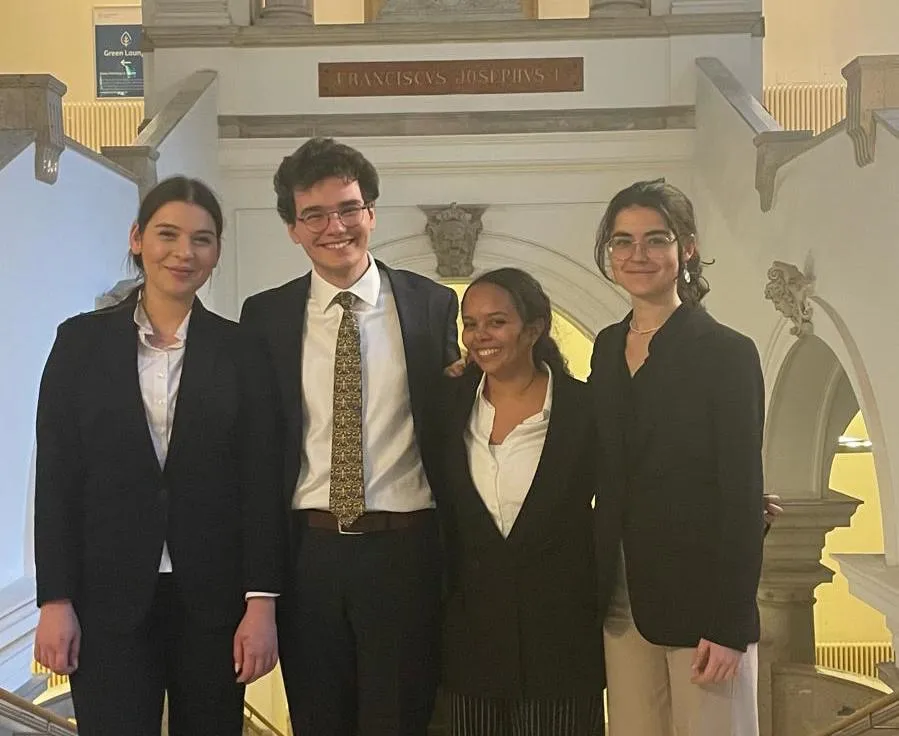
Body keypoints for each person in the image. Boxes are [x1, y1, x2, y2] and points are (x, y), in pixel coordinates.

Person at [33, 176, 286, 736]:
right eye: (167, 234)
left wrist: (261, 600)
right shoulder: (80, 343)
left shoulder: (243, 350)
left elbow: (261, 480)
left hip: (216, 599)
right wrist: (55, 597)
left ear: (217, 252)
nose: (183, 252)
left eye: (202, 239)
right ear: (137, 238)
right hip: (106, 597)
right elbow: (56, 479)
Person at [239, 137, 460, 736]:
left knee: (402, 722)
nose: (334, 226)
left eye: (348, 209)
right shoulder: (265, 318)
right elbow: (258, 461)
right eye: (314, 214)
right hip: (309, 558)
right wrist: (260, 591)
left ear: (371, 213)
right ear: (293, 228)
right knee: (318, 723)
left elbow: (452, 429)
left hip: (406, 554)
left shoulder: (431, 305)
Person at [589, 179, 764, 736]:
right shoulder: (604, 347)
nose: (637, 255)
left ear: (686, 247)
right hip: (622, 600)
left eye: (655, 239)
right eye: (622, 241)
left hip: (703, 608)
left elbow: (740, 495)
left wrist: (731, 623)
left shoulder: (728, 354)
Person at [439, 268, 606, 736]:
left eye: (496, 322)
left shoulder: (585, 410)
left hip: (562, 644)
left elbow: (630, 498)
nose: (479, 336)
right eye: (470, 324)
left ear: (534, 328)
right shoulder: (446, 406)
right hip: (468, 646)